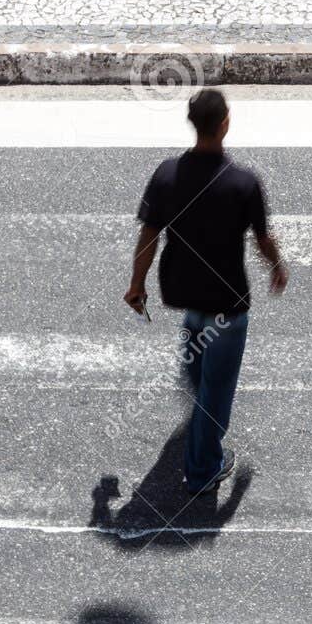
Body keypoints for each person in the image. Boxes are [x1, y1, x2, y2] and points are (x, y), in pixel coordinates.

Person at [125, 88, 288, 493]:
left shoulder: (165, 176)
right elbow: (263, 240)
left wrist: (136, 283)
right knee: (216, 391)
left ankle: (200, 414)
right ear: (225, 124)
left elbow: (149, 237)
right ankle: (203, 471)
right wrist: (277, 267)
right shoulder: (243, 182)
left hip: (184, 294)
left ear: (192, 123)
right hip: (227, 303)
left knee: (199, 366)